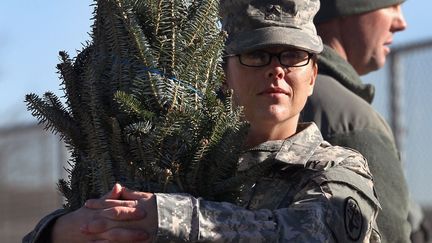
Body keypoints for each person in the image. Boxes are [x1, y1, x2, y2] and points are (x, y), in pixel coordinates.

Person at [24, 0, 382, 242]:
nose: (277, 70)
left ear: (313, 74)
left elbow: (315, 233)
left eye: (293, 56)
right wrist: (63, 230)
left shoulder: (336, 168)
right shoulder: (182, 161)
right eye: (256, 54)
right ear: (224, 74)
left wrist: (169, 217)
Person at [301, 0, 430, 242]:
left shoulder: (272, 96)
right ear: (346, 8)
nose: (401, 23)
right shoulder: (353, 124)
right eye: (391, 5)